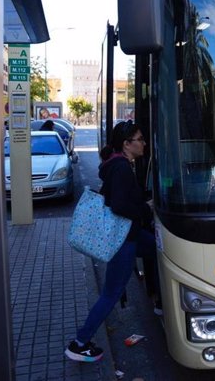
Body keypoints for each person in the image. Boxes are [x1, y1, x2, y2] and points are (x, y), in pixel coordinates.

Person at [65, 121, 161, 363]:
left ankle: (161, 300)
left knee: (159, 250)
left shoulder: (120, 164)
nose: (144, 143)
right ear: (127, 144)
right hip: (122, 239)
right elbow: (118, 205)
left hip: (130, 234)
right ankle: (80, 343)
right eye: (140, 139)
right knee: (111, 293)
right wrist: (146, 209)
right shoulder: (121, 169)